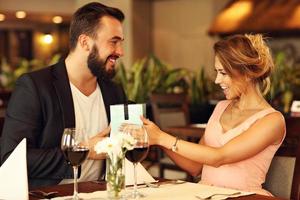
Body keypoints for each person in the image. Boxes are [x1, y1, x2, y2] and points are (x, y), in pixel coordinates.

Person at [1, 2, 127, 188]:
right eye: (113, 42)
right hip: (51, 194)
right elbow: (12, 158)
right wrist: (83, 151)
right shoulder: (34, 87)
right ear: (85, 42)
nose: (120, 52)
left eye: (121, 43)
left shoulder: (114, 91)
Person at [141, 34, 286, 196]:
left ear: (247, 73)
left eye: (223, 73)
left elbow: (219, 157)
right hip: (206, 193)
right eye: (217, 72)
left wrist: (162, 137)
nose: (217, 80)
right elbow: (195, 167)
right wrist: (157, 140)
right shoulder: (221, 107)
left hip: (243, 197)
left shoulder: (272, 121)